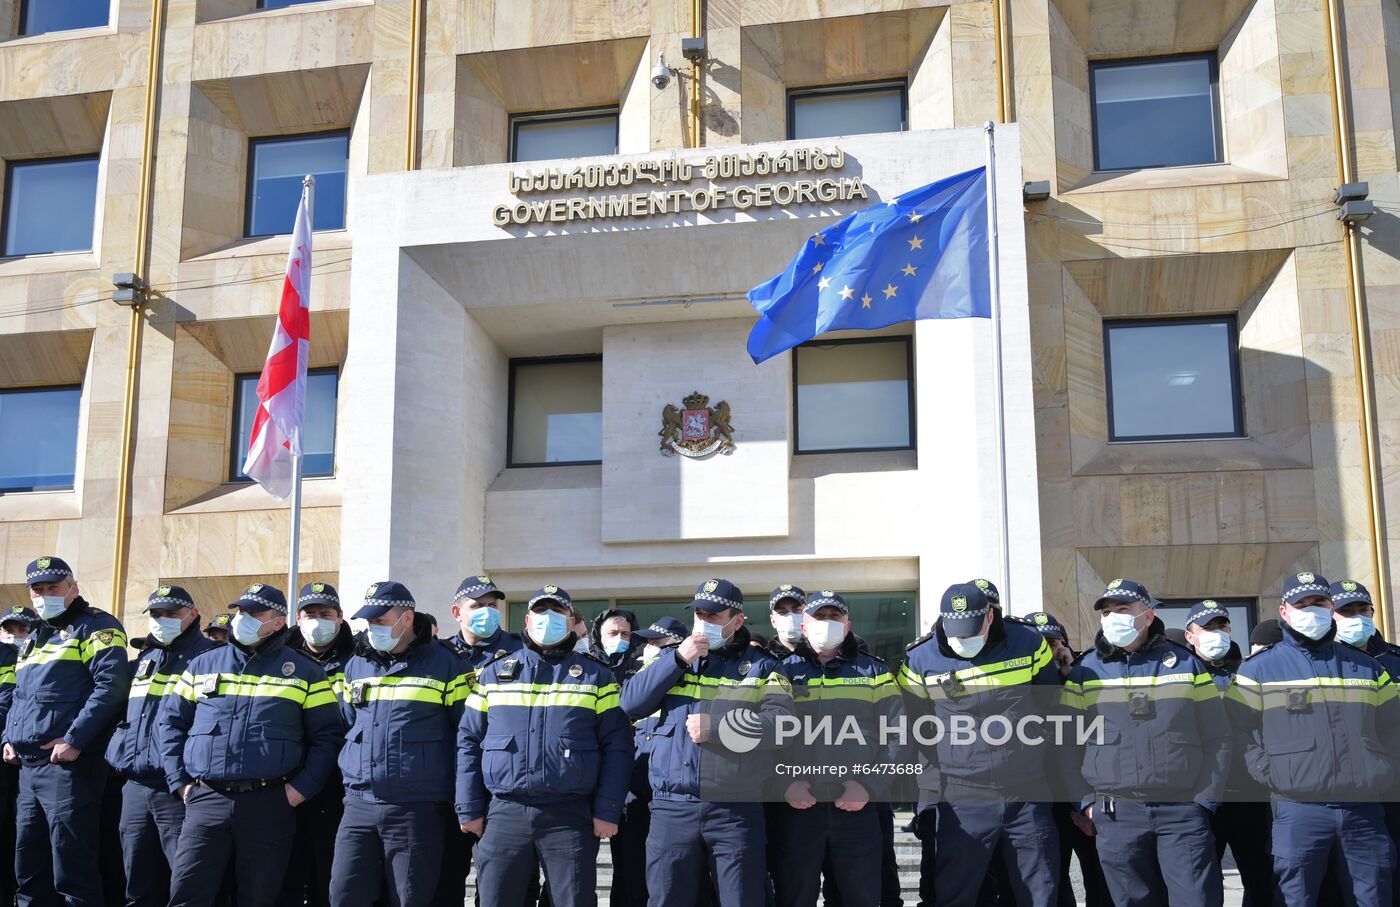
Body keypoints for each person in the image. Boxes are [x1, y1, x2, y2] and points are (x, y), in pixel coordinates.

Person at [158, 583, 344, 907]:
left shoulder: (306, 672)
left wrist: (299, 790)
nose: (244, 618)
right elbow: (170, 723)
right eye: (241, 611)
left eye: (256, 612)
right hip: (205, 798)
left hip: (269, 803)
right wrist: (181, 783)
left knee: (259, 897)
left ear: (278, 621)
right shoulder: (205, 663)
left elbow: (327, 737)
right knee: (188, 893)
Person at [1228, 572, 1400, 906]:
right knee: (1296, 897)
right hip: (1297, 810)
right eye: (1301, 604)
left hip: (1363, 809)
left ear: (1330, 606)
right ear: (1284, 612)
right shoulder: (1258, 670)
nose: (1311, 610)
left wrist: (1385, 767)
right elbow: (1237, 730)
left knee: (1374, 895)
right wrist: (1268, 771)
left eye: (1319, 603)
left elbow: (1393, 726)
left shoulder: (1366, 667)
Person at [456, 584, 633, 907]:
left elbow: (617, 746)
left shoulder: (596, 677)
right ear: (526, 620)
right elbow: (469, 742)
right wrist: (468, 806)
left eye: (557, 612)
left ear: (570, 622)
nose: (547, 619)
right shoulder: (495, 674)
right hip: (505, 813)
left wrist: (608, 809)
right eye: (540, 612)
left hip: (569, 815)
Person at [620, 578, 794, 907]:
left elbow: (782, 727)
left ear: (737, 621)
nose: (704, 620)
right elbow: (630, 704)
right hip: (672, 808)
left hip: (734, 809)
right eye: (699, 612)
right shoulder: (674, 658)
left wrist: (718, 728)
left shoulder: (764, 667)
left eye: (714, 615)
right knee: (667, 898)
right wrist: (677, 660)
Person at [1061, 578, 1232, 907]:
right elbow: (1065, 746)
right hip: (1116, 815)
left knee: (1197, 899)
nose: (1113, 618)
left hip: (1182, 811)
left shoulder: (1186, 664)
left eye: (1123, 609)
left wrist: (1205, 799)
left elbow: (1218, 737)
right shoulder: (1086, 672)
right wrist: (1083, 802)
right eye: (1107, 612)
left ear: (1148, 615)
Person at [899, 583, 1063, 907]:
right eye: (955, 633)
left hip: (1026, 793)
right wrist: (954, 759)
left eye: (970, 632)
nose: (962, 641)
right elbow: (917, 726)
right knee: (954, 894)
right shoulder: (919, 660)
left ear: (989, 617)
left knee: (1040, 892)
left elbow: (1051, 703)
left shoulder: (1028, 642)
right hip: (963, 794)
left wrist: (1027, 751)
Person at [2, 556, 131, 907]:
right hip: (28, 767)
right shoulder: (34, 637)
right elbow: (20, 695)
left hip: (67, 767)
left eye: (53, 588)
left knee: (71, 867)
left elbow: (112, 688)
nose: (45, 595)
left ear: (73, 588)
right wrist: (7, 738)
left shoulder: (96, 626)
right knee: (28, 865)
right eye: (38, 590)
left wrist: (75, 739)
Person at [330, 581, 465, 907]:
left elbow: (464, 736)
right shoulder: (357, 664)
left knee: (409, 898)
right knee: (343, 895)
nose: (373, 627)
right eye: (370, 620)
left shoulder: (448, 665)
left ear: (407, 618)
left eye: (381, 619)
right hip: (359, 804)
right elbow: (349, 722)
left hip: (415, 808)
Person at [772, 591, 901, 907]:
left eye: (835, 617)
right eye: (820, 617)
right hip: (797, 809)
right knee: (793, 897)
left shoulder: (875, 673)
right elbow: (762, 738)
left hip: (856, 809)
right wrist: (784, 785)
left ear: (847, 626)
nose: (827, 624)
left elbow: (900, 738)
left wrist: (869, 787)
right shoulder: (781, 671)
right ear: (805, 626)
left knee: (860, 898)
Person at [105, 585, 218, 907]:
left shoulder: (208, 657)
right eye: (156, 614)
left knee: (185, 880)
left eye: (172, 614)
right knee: (137, 880)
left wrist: (185, 779)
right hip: (136, 785)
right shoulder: (146, 659)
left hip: (178, 787)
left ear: (193, 615)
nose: (162, 620)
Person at [1179, 600, 1274, 907]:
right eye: (1207, 628)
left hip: (1250, 794)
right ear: (1190, 635)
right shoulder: (1181, 674)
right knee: (1201, 885)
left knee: (1262, 879)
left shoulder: (1249, 671)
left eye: (1221, 626)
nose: (1216, 634)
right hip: (1202, 797)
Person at [437, 574, 523, 907]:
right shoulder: (439, 655)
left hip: (504, 784)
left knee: (505, 886)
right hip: (451, 783)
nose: (487, 611)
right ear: (458, 613)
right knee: (446, 877)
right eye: (478, 606)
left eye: (492, 605)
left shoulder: (520, 650)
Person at [1017, 612, 1110, 907]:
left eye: (1054, 643)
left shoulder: (1085, 675)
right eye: (1041, 643)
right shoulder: (1022, 681)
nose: (1049, 650)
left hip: (1085, 797)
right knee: (1050, 886)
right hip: (1041, 799)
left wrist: (1070, 677)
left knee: (1100, 880)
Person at [279, 582, 356, 907]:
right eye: (310, 614)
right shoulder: (279, 658)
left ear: (339, 617)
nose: (317, 621)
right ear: (298, 618)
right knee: (287, 878)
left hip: (338, 789)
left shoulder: (358, 659)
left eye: (325, 614)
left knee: (331, 880)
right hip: (287, 787)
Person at [0, 604, 34, 906]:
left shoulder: (21, 661)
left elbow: (7, 704)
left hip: (22, 761)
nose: (15, 636)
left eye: (22, 630)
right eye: (9, 630)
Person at [590, 608, 642, 681]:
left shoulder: (640, 669)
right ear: (600, 636)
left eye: (625, 634)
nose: (619, 639)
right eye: (613, 633)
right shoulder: (588, 666)